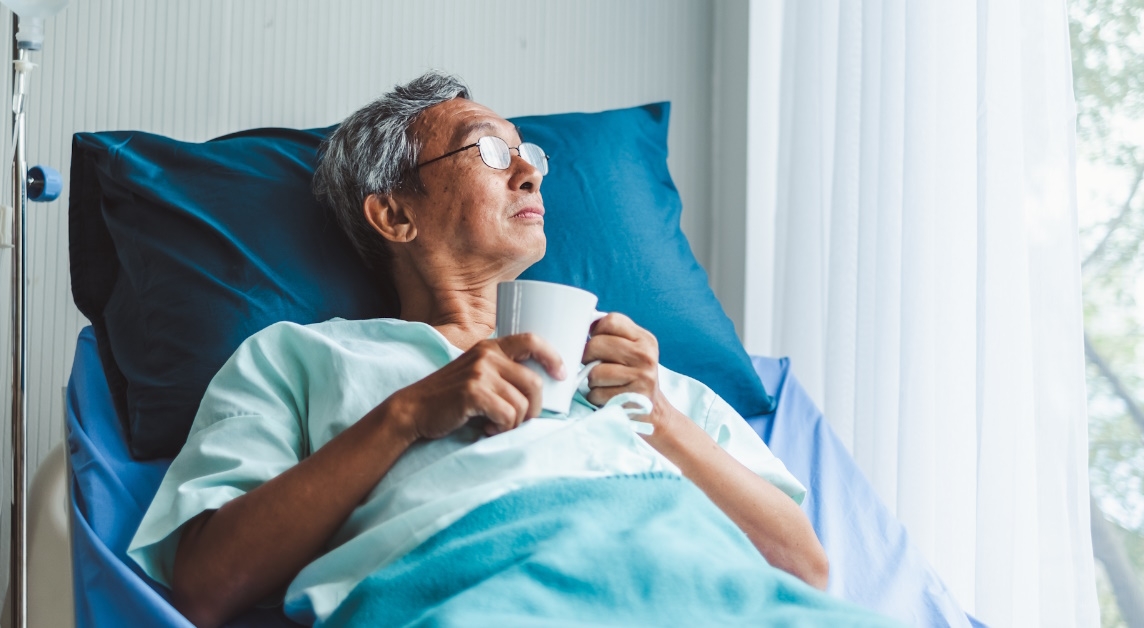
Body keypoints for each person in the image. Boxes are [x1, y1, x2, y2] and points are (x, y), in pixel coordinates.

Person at [129, 71, 841, 628]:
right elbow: (206, 588)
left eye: (528, 154)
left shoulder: (636, 372)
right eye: (491, 152)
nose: (531, 173)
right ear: (395, 213)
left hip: (701, 586)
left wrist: (657, 414)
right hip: (479, 590)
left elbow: (803, 567)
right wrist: (407, 415)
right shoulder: (300, 360)